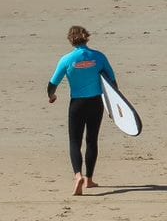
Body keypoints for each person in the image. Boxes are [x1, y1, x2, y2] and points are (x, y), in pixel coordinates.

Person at [47, 25, 116, 196]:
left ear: (71, 40)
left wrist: (52, 96)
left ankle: (78, 175)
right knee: (92, 140)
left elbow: (52, 84)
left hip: (77, 104)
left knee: (74, 141)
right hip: (96, 103)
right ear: (87, 38)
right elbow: (113, 82)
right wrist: (113, 107)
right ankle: (89, 179)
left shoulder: (66, 59)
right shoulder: (99, 57)